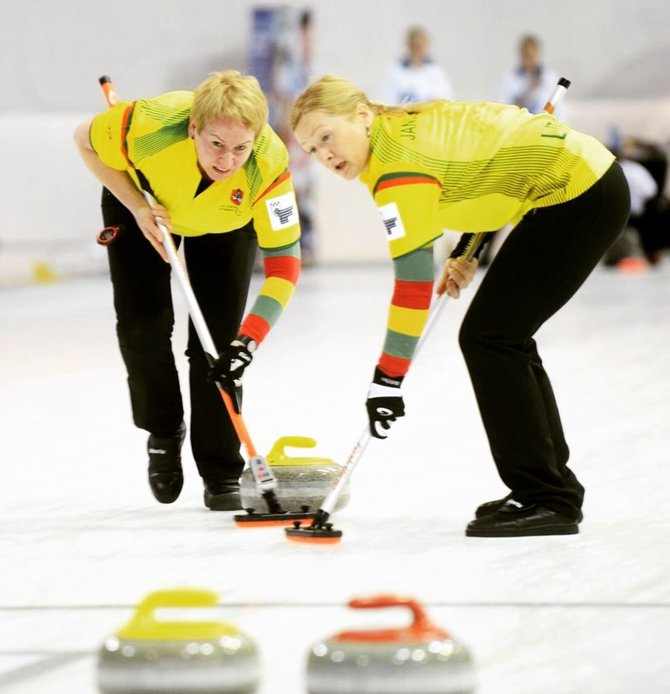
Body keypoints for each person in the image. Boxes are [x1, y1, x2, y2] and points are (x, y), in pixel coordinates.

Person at [290, 75, 630, 538]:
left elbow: (412, 284)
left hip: (579, 193)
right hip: (576, 182)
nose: (324, 156)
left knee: (492, 338)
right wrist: (465, 251)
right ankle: (548, 488)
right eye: (312, 150)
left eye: (326, 136)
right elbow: (484, 173)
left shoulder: (396, 172)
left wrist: (386, 381)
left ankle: (548, 497)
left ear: (363, 116)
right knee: (501, 336)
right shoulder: (400, 128)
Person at [74, 71, 301, 511]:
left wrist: (249, 341)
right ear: (194, 128)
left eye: (240, 147)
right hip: (147, 204)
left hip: (225, 225)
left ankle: (220, 469)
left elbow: (285, 267)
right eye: (215, 143)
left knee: (218, 346)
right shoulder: (150, 124)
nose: (226, 161)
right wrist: (137, 207)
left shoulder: (269, 165)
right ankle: (163, 429)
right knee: (143, 326)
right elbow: (82, 139)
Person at [496, 34, 566, 121]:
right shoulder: (509, 79)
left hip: (544, 127)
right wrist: (528, 92)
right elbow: (502, 108)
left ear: (538, 53)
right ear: (521, 53)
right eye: (527, 55)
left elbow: (559, 109)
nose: (530, 59)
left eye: (532, 55)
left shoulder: (550, 78)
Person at [379, 26, 454, 105]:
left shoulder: (436, 71)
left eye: (421, 45)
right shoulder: (394, 70)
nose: (418, 49)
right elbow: (386, 99)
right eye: (415, 45)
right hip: (403, 115)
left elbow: (446, 99)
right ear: (409, 46)